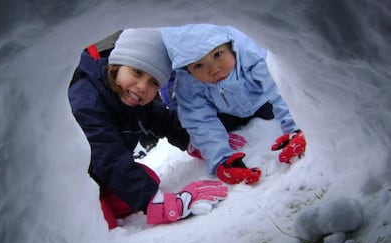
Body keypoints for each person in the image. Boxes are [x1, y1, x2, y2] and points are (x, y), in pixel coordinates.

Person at [68, 28, 228, 230]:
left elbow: (164, 120)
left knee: (147, 180)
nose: (142, 86)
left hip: (100, 177)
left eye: (153, 82)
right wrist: (155, 202)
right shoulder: (87, 100)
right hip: (71, 185)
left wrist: (200, 141)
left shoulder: (130, 95)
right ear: (115, 65)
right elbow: (107, 155)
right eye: (137, 72)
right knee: (97, 223)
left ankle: (104, 197)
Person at [161, 24, 306, 185]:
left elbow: (279, 88)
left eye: (217, 54)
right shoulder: (187, 82)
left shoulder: (250, 52)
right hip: (226, 113)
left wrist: (296, 127)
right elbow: (199, 120)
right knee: (210, 127)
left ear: (230, 45)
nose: (214, 69)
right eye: (199, 65)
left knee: (272, 108)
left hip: (263, 100)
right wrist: (221, 160)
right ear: (186, 69)